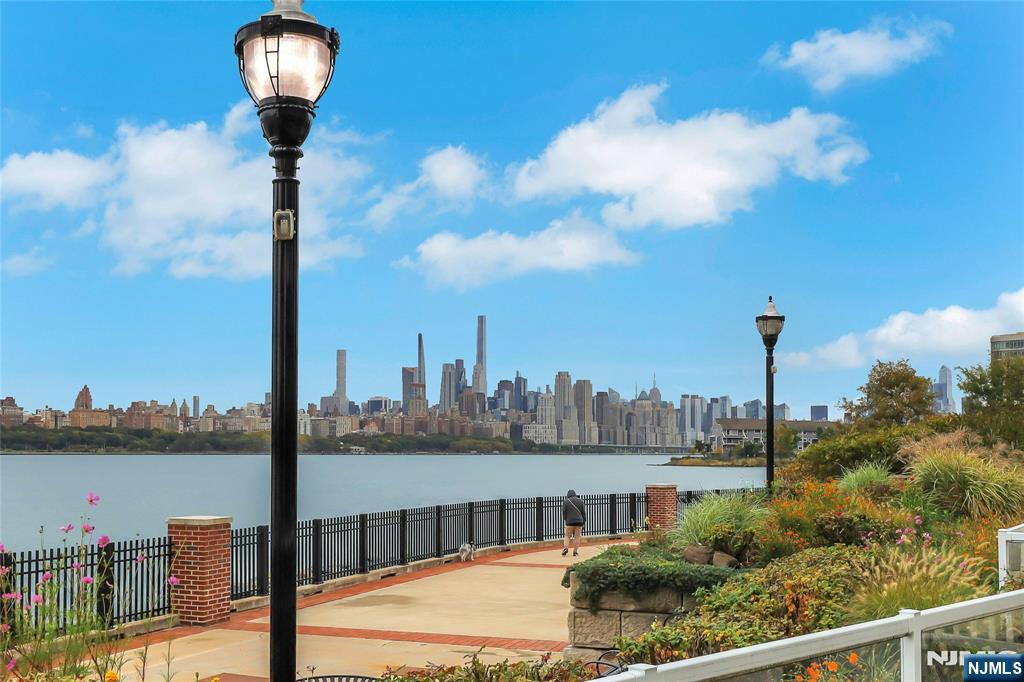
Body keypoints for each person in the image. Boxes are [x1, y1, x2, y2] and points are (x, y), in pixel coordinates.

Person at [562, 489, 586, 557]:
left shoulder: (566, 501)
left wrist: (565, 518)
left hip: (569, 522)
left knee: (567, 536)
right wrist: (584, 521)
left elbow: (564, 512)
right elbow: (583, 512)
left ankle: (566, 548)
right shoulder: (580, 501)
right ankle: (575, 552)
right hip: (579, 522)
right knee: (577, 537)